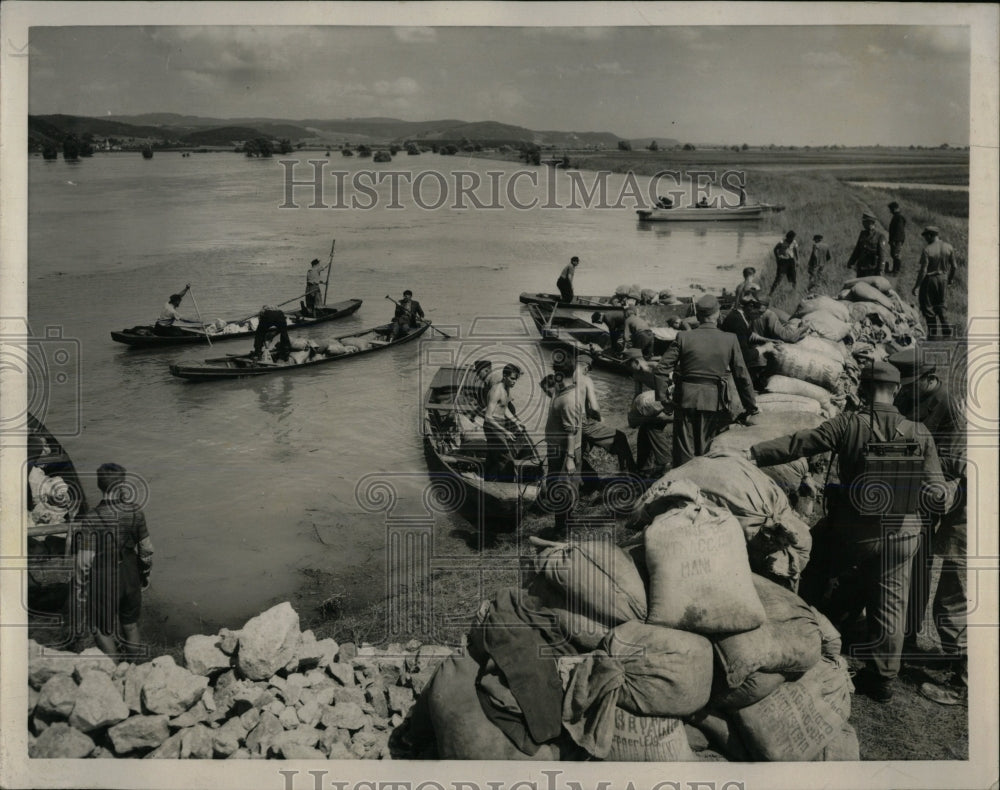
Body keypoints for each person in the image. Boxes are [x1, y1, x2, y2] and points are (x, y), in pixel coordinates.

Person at [748, 362, 954, 703]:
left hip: (853, 532)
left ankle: (799, 644)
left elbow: (801, 443)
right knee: (891, 604)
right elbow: (936, 491)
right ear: (897, 390)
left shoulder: (848, 423)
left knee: (810, 574)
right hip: (902, 534)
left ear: (862, 388)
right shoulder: (918, 431)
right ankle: (883, 679)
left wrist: (755, 452)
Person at [889, 345, 968, 705]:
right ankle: (906, 638)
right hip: (913, 489)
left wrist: (913, 458)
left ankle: (963, 680)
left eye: (909, 384)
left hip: (935, 495)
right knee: (914, 568)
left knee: (952, 596)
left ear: (929, 378)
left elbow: (951, 464)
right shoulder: (911, 395)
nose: (903, 390)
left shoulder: (950, 407)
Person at [654, 295, 757, 468]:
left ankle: (683, 486)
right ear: (717, 315)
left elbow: (661, 369)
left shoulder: (683, 337)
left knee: (683, 451)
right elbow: (741, 375)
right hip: (714, 400)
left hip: (686, 399)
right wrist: (751, 405)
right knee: (709, 448)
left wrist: (664, 399)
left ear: (699, 317)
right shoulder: (730, 339)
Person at [71, 463, 153, 659]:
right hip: (130, 575)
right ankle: (134, 669)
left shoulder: (91, 518)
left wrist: (81, 587)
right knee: (131, 625)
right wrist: (144, 575)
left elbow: (85, 561)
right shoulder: (136, 512)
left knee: (101, 629)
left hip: (104, 579)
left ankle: (116, 672)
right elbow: (147, 549)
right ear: (123, 485)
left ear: (100, 485)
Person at [571, 351, 637, 477]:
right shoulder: (585, 379)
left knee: (583, 450)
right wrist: (600, 418)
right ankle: (630, 474)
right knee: (621, 438)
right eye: (588, 370)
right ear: (586, 368)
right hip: (583, 422)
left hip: (570, 421)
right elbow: (595, 406)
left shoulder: (568, 378)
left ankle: (584, 481)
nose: (588, 372)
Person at [543, 361, 583, 532]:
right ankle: (563, 524)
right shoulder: (561, 391)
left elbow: (571, 432)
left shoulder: (568, 400)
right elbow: (544, 383)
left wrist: (570, 459)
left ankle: (562, 530)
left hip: (564, 451)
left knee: (562, 489)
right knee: (556, 486)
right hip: (556, 449)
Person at [482, 364, 528, 480]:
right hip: (492, 425)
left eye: (516, 379)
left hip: (498, 424)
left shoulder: (506, 388)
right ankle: (507, 485)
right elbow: (488, 417)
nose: (514, 382)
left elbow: (504, 407)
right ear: (504, 376)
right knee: (506, 458)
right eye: (512, 378)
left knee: (493, 457)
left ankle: (488, 481)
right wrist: (505, 432)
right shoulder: (497, 391)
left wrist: (516, 421)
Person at [912, 226, 958, 340]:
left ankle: (932, 335)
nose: (925, 239)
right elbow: (954, 266)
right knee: (941, 305)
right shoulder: (949, 247)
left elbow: (923, 270)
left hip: (930, 280)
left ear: (930, 235)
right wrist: (950, 279)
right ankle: (947, 333)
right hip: (943, 279)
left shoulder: (927, 250)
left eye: (925, 236)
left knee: (928, 307)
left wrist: (917, 286)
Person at [720, 294, 766, 387]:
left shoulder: (739, 316)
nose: (760, 317)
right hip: (727, 369)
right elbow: (744, 356)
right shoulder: (737, 322)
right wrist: (765, 349)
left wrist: (767, 340)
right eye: (759, 313)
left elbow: (749, 335)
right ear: (750, 307)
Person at [847, 211, 888, 277]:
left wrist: (881, 270)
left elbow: (882, 255)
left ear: (870, 222)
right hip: (861, 268)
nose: (862, 223)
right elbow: (857, 250)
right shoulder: (862, 234)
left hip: (873, 269)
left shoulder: (880, 236)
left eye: (864, 221)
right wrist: (851, 262)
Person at [888, 201, 906, 275]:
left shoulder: (899, 217)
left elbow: (899, 230)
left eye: (891, 209)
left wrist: (895, 240)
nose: (890, 211)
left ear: (895, 208)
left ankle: (897, 271)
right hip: (896, 240)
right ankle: (894, 270)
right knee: (894, 254)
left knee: (896, 255)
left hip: (897, 240)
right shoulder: (897, 216)